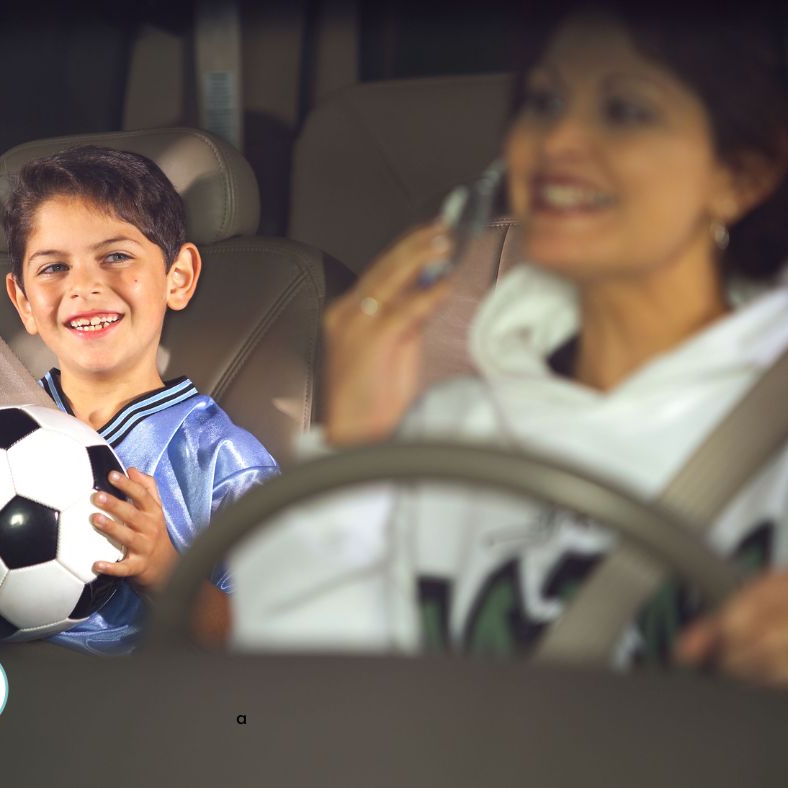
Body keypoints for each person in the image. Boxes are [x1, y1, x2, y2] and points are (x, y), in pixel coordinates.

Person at [230, 2, 788, 685]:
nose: (558, 142)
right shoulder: (453, 428)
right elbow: (308, 709)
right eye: (545, 101)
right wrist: (353, 448)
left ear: (742, 175)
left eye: (627, 111)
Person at [0, 145, 279, 655]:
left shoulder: (221, 461)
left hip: (136, 712)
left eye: (116, 256)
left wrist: (167, 573)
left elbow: (273, 642)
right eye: (53, 268)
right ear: (23, 302)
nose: (85, 286)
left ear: (177, 277)